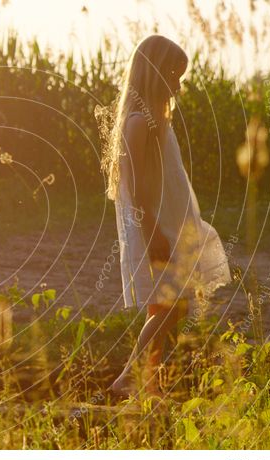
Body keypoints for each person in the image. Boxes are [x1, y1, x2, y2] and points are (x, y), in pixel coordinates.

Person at [97, 35, 231, 399]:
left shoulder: (157, 120)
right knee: (175, 304)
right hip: (155, 227)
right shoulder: (139, 121)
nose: (178, 83)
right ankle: (130, 376)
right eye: (174, 74)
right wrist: (153, 231)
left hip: (168, 224)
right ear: (156, 73)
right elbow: (134, 187)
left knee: (164, 305)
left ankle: (148, 384)